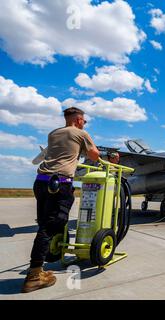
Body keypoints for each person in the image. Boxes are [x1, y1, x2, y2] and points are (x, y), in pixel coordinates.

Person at [22, 107, 101, 293]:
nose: (85, 123)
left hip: (41, 181)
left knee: (44, 224)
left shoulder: (54, 133)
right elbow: (95, 155)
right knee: (50, 226)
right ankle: (34, 276)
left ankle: (38, 269)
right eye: (84, 121)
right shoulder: (80, 133)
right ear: (79, 120)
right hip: (60, 183)